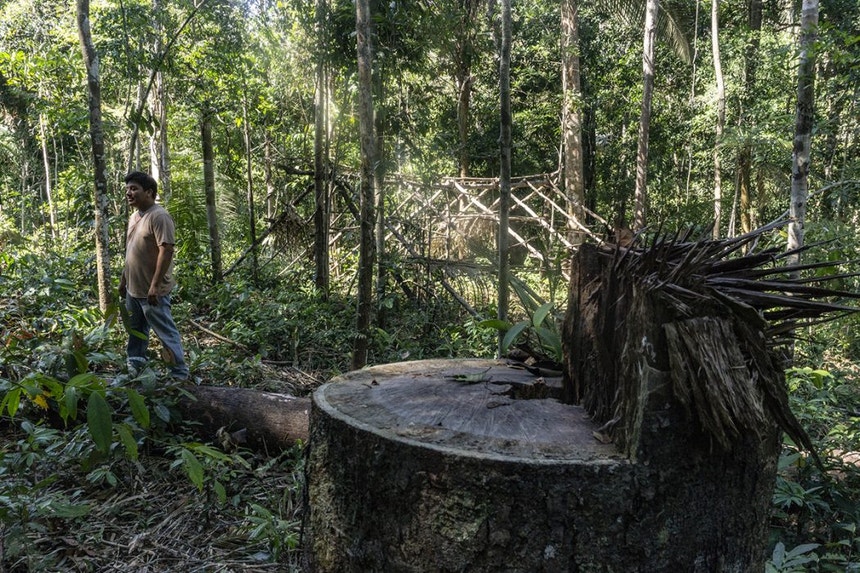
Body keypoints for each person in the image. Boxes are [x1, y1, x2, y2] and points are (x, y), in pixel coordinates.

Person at [119, 171, 189, 380]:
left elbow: (166, 250)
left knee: (164, 330)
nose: (129, 193)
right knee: (136, 329)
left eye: (134, 189)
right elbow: (131, 250)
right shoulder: (134, 216)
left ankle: (179, 374)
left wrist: (155, 285)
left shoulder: (159, 216)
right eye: (127, 189)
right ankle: (136, 364)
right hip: (134, 287)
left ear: (149, 192)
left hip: (151, 289)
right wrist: (124, 280)